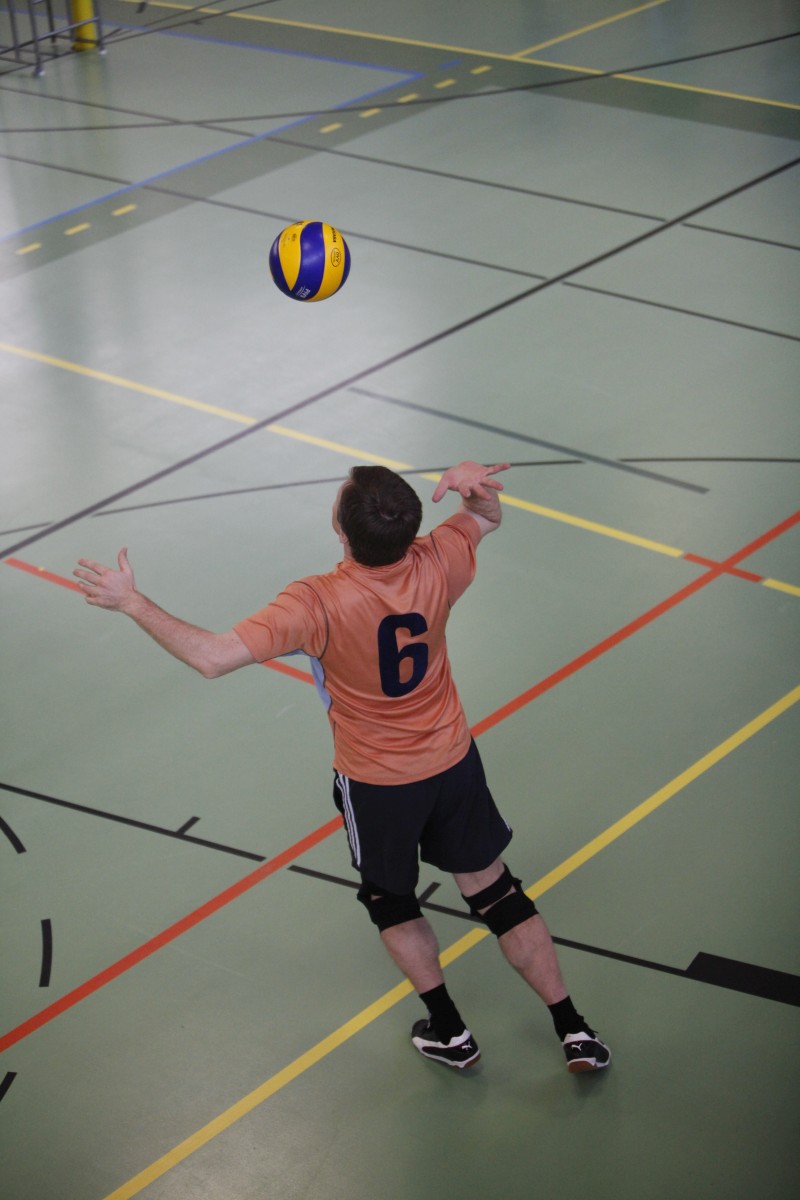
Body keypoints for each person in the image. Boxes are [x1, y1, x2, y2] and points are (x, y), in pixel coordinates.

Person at [74, 460, 610, 1074]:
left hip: (378, 784)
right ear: (407, 526)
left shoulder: (316, 603)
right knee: (497, 894)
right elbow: (485, 517)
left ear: (340, 528)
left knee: (393, 902)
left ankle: (450, 1032)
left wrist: (132, 602)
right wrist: (475, 490)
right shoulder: (439, 559)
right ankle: (574, 1030)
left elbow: (213, 657)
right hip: (453, 761)